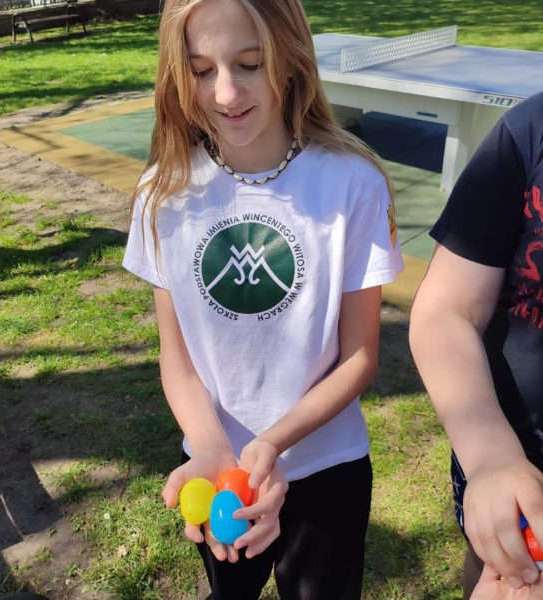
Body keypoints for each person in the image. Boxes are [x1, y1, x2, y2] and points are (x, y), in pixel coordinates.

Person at [123, 0, 402, 598]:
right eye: (201, 70)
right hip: (219, 471)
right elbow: (177, 358)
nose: (225, 93)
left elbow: (359, 358)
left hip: (328, 468)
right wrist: (216, 451)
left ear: (291, 57)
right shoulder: (162, 192)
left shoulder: (354, 184)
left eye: (249, 63)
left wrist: (271, 443)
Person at [409, 90, 543, 599]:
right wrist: (491, 459)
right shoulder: (529, 130)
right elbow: (447, 308)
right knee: (493, 564)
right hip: (513, 455)